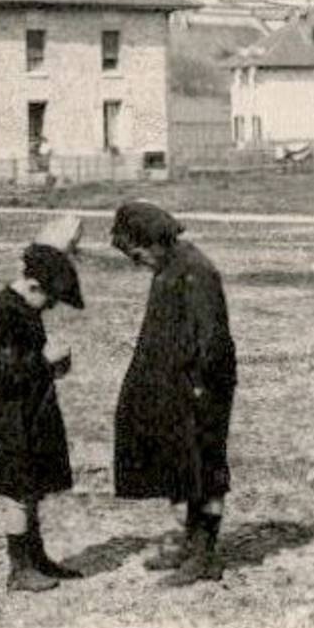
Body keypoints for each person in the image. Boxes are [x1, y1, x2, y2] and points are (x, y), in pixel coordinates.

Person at [110, 201, 239, 583]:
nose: (138, 263)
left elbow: (212, 339)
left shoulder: (196, 271)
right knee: (187, 466)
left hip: (202, 386)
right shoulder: (170, 266)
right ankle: (191, 544)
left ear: (154, 242)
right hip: (181, 385)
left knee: (207, 468)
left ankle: (205, 555)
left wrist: (200, 387)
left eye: (137, 254)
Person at [0, 243, 85, 592]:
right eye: (51, 299)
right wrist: (46, 362)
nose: (52, 307)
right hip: (10, 419)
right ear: (34, 286)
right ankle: (19, 569)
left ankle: (36, 557)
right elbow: (6, 373)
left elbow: (25, 364)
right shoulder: (6, 313)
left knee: (33, 488)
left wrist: (53, 367)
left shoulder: (24, 309)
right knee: (17, 492)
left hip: (30, 415)